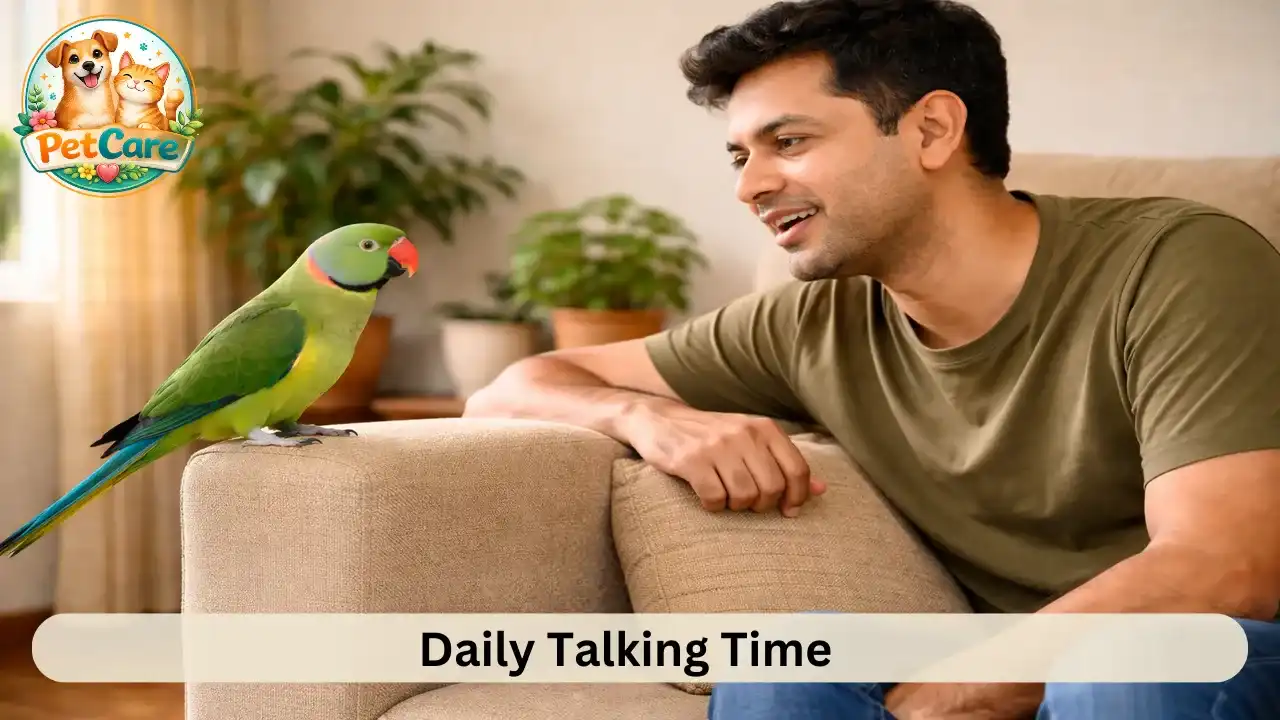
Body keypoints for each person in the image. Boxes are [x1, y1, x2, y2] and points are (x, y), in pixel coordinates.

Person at [463, 0, 1280, 717]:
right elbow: (508, 390)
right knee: (788, 664)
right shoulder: (810, 322)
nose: (750, 187)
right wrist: (646, 417)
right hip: (1015, 652)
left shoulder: (1179, 262)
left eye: (788, 140)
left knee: (1129, 667)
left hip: (1221, 653)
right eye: (741, 156)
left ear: (931, 130)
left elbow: (1225, 566)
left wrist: (955, 694)